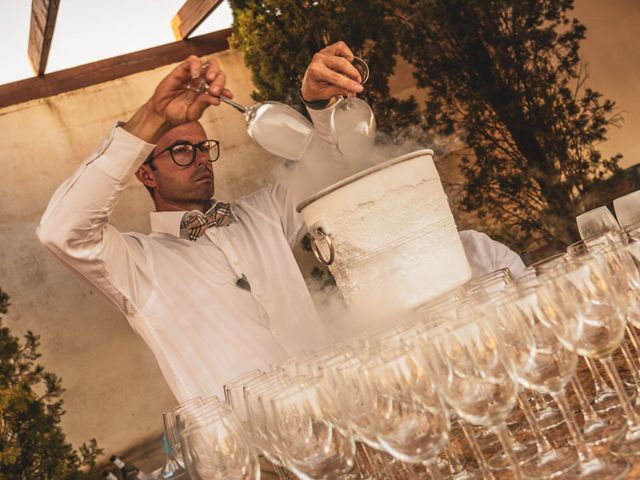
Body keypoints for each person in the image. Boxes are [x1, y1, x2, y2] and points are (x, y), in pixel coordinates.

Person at [37, 41, 365, 402]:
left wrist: (318, 103)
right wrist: (153, 115)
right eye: (181, 150)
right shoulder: (137, 265)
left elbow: (330, 166)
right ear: (146, 173)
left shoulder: (264, 213)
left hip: (341, 412)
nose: (201, 160)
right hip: (256, 454)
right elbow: (61, 230)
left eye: (204, 147)